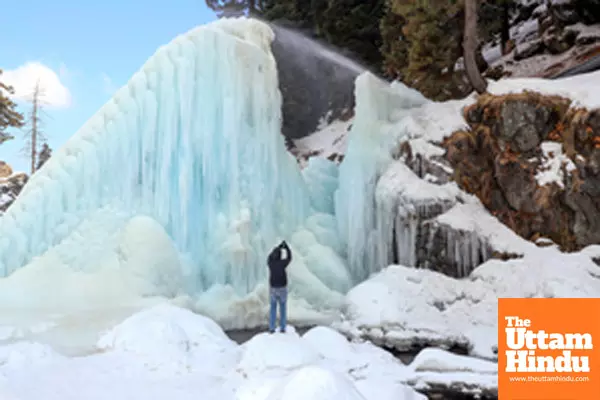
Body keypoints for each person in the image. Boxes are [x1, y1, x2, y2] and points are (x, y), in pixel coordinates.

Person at [267, 240, 292, 333]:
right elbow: (289, 258)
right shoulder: (282, 263)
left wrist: (277, 247)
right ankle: (282, 328)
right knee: (283, 308)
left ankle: (272, 328)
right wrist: (286, 248)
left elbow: (269, 257)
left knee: (273, 308)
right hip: (282, 288)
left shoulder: (270, 263)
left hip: (273, 288)